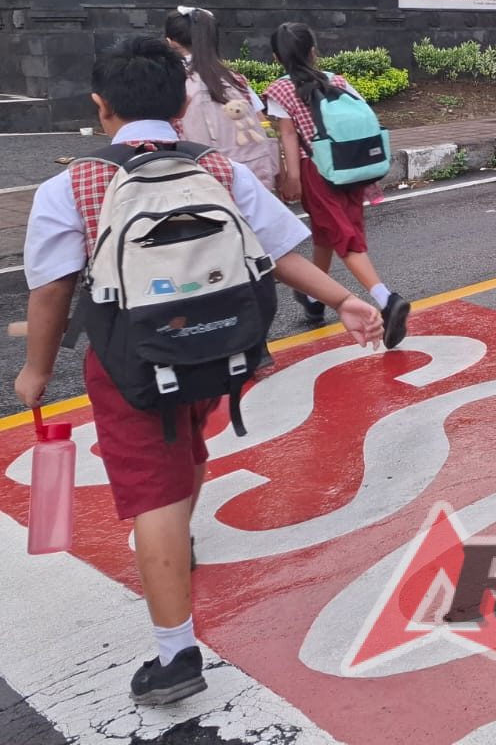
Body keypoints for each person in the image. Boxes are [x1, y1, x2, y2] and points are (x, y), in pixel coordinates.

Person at [12, 36, 384, 708]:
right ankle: (179, 537)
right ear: (183, 106)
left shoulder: (73, 185)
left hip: (131, 361)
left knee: (152, 493)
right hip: (219, 348)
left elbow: (50, 292)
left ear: (102, 108)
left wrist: (36, 372)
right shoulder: (218, 170)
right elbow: (278, 252)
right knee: (185, 448)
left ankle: (174, 653)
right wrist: (347, 300)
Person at [264, 22, 411, 347]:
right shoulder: (337, 81)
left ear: (277, 57)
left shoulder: (279, 90)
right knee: (327, 233)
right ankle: (314, 299)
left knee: (343, 237)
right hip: (350, 166)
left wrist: (291, 180)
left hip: (316, 170)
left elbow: (287, 136)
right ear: (314, 51)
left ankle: (386, 300)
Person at [164, 6, 281, 188]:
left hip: (204, 182)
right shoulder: (234, 78)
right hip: (252, 177)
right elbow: (261, 122)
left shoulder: (171, 80)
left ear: (170, 42)